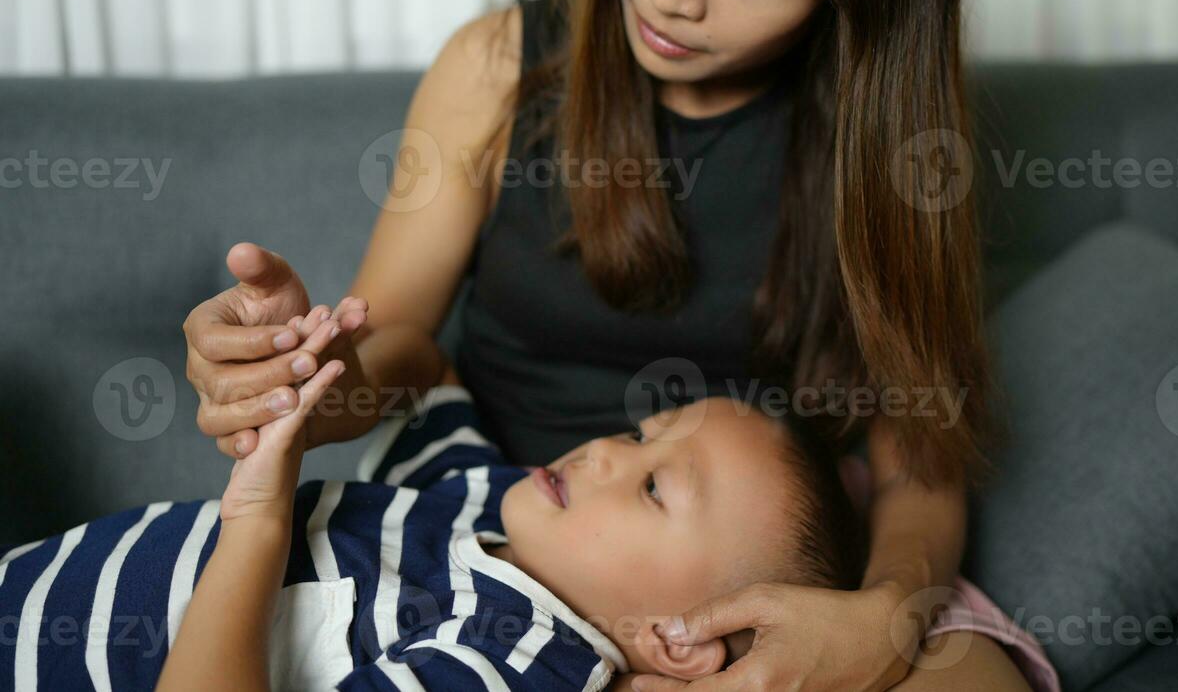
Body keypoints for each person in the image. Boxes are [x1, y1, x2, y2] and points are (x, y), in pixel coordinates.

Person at [181, 0, 1057, 689]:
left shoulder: (896, 141)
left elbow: (920, 452)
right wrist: (296, 377)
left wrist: (880, 620)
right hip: (505, 527)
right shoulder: (499, 67)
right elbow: (395, 347)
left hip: (763, 565)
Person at [0, 307, 869, 690]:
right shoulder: (490, 504)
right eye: (643, 433)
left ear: (678, 645)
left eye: (652, 484)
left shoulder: (519, 664)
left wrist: (257, 522)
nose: (607, 448)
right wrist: (321, 366)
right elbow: (428, 374)